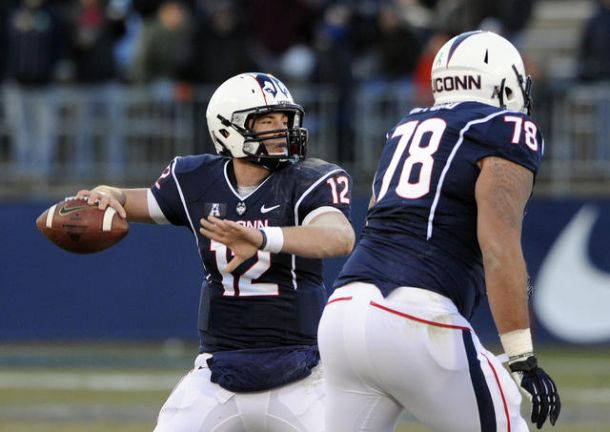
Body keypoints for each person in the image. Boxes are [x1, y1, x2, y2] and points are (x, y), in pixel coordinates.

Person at [75, 72, 355, 431]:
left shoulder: (311, 180)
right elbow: (132, 199)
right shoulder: (195, 179)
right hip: (218, 371)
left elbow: (338, 237)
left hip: (303, 370)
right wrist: (110, 194)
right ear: (228, 128)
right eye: (266, 121)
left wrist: (263, 238)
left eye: (284, 120)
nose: (281, 130)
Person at [317, 30, 561, 431]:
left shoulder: (406, 127)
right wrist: (521, 356)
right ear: (502, 82)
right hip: (415, 316)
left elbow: (378, 220)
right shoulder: (503, 127)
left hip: (343, 313)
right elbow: (498, 248)